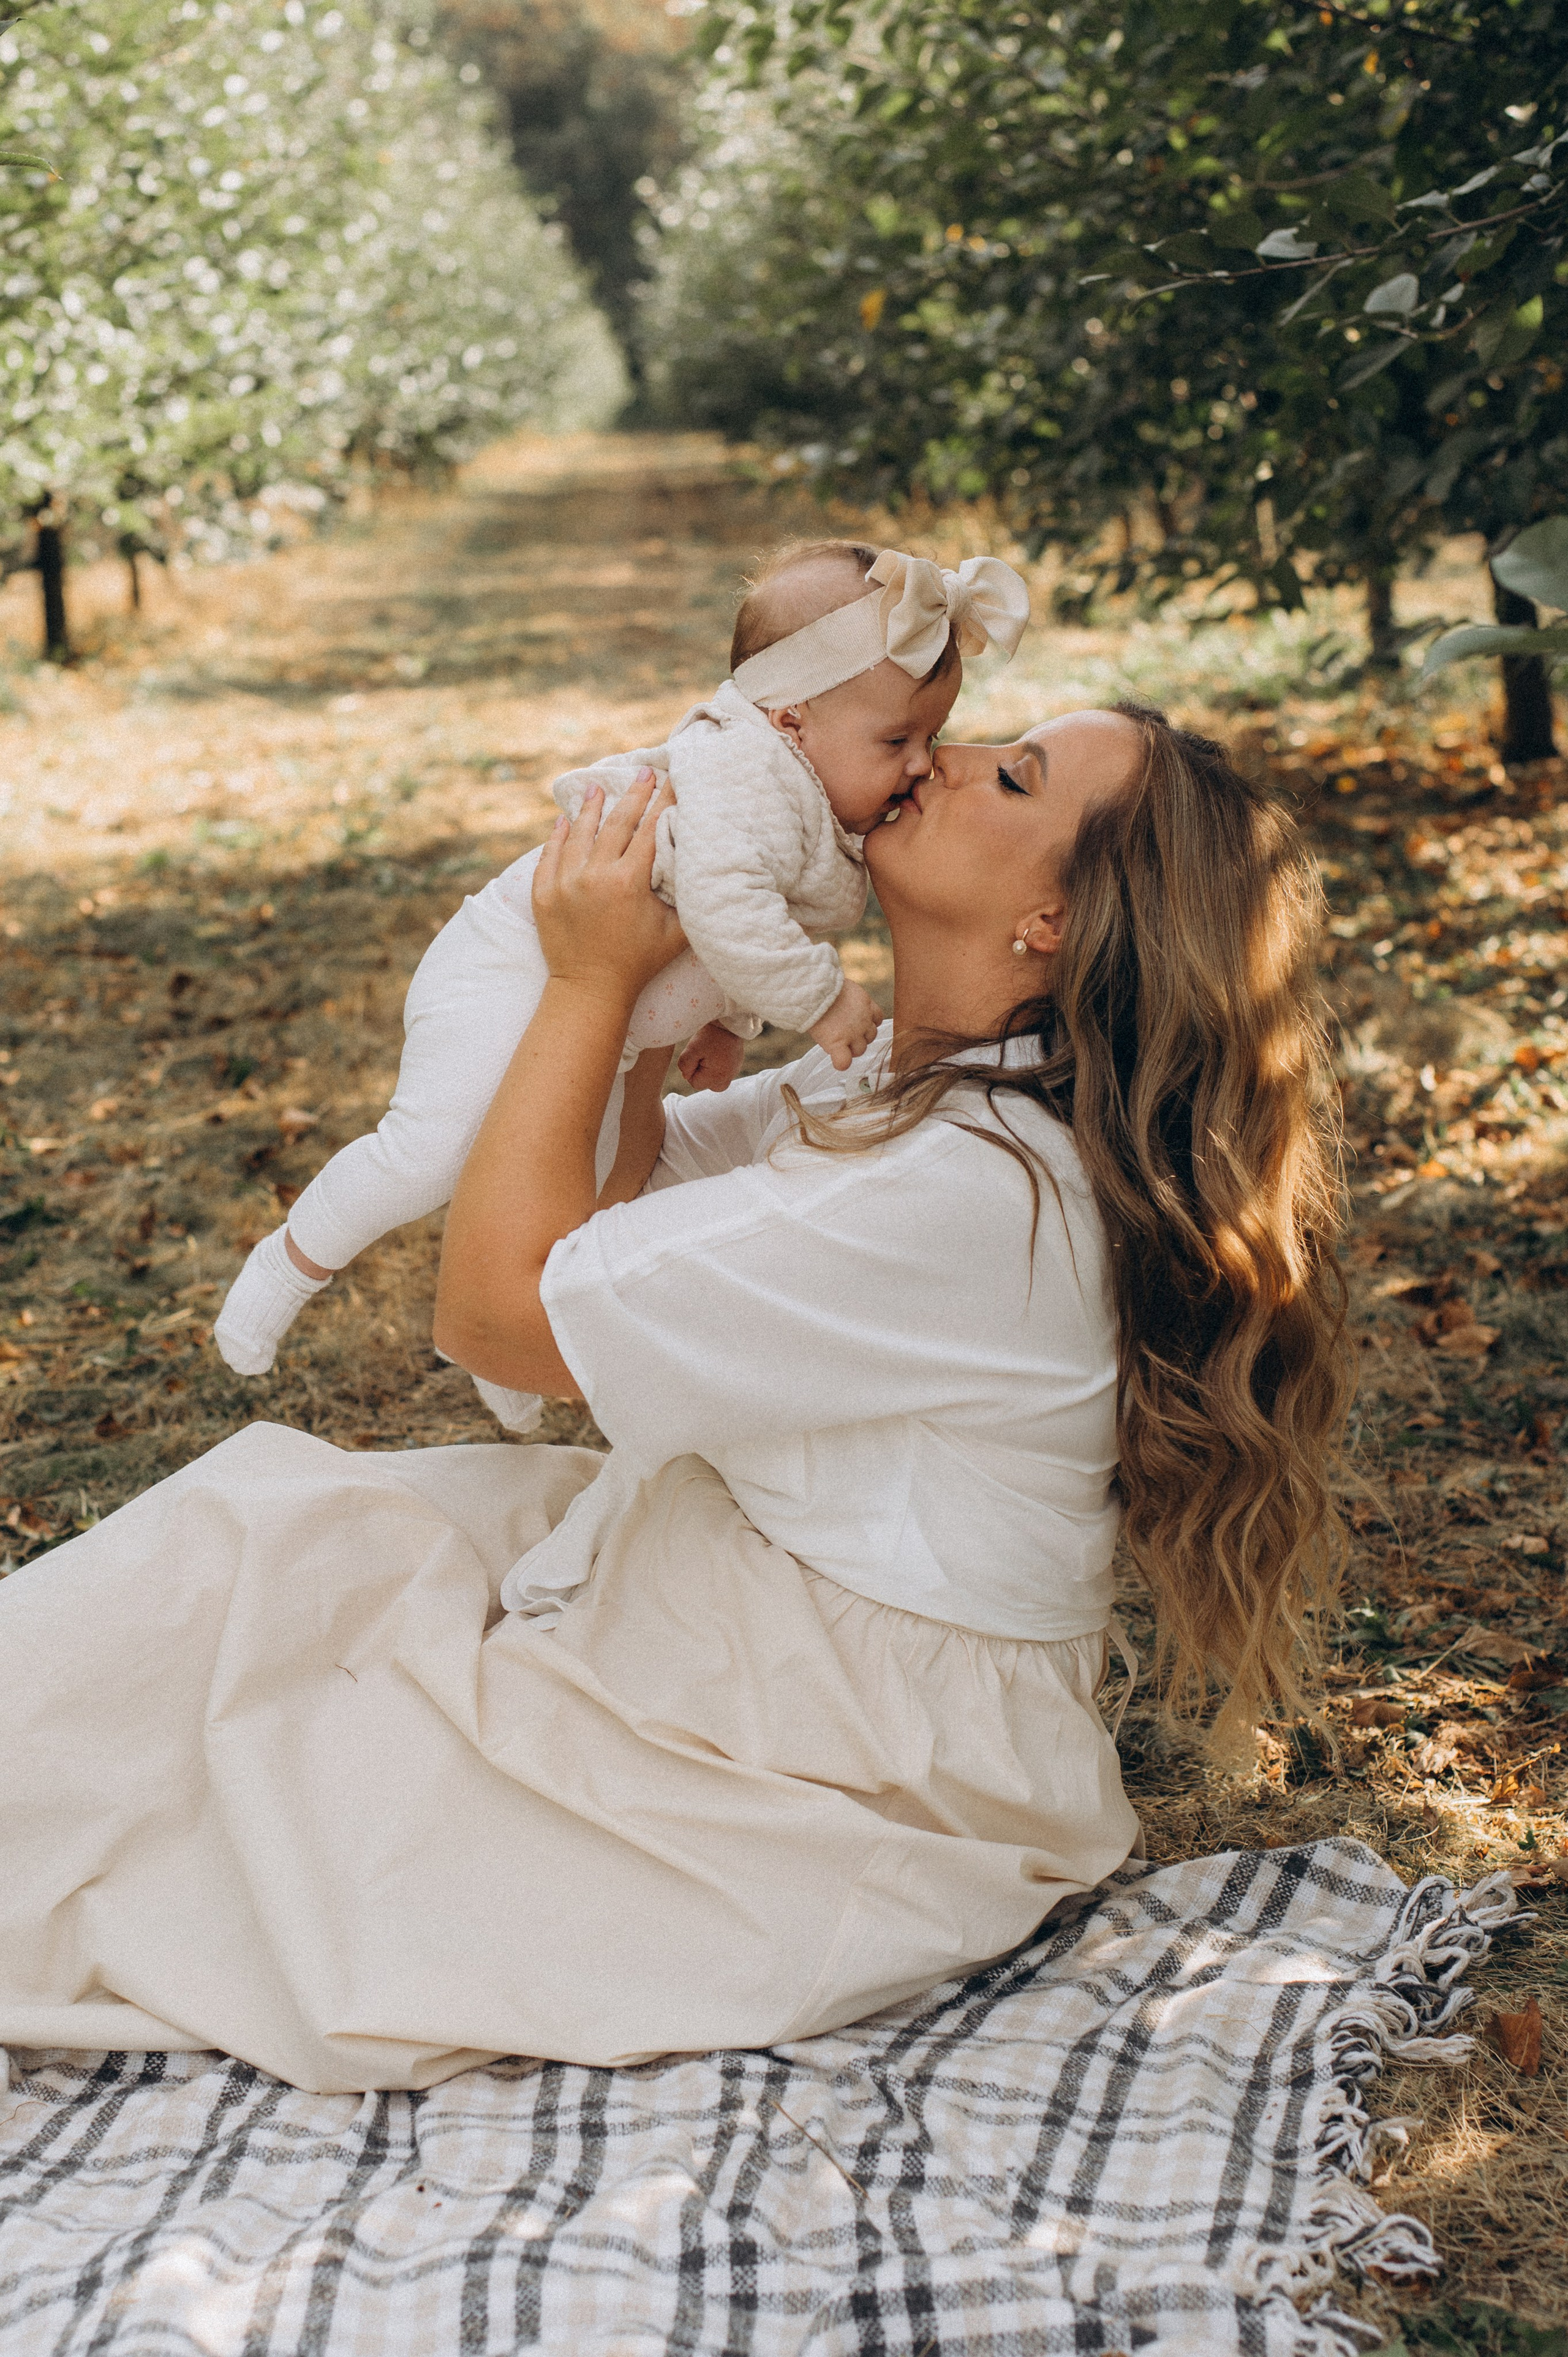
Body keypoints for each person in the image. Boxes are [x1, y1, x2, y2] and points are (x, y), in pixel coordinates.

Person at [0, 700, 1352, 2096]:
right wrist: (652, 1012)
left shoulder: (972, 1195)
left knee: (258, 1813)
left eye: (1007, 776)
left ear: (1053, 924)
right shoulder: (915, 1090)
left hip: (831, 1745)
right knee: (263, 1532)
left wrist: (589, 987)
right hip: (744, 1588)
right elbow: (609, 1195)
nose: (940, 758)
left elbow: (498, 1312)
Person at [211, 539, 1028, 1436]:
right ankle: (291, 1264)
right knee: (434, 1151)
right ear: (792, 720)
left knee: (586, 1181)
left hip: (610, 995)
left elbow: (738, 928)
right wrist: (821, 1002)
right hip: (514, 963)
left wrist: (732, 1021)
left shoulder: (807, 789)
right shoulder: (744, 768)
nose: (921, 763)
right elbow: (723, 903)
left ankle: (503, 1341)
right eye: (897, 740)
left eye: (931, 738)